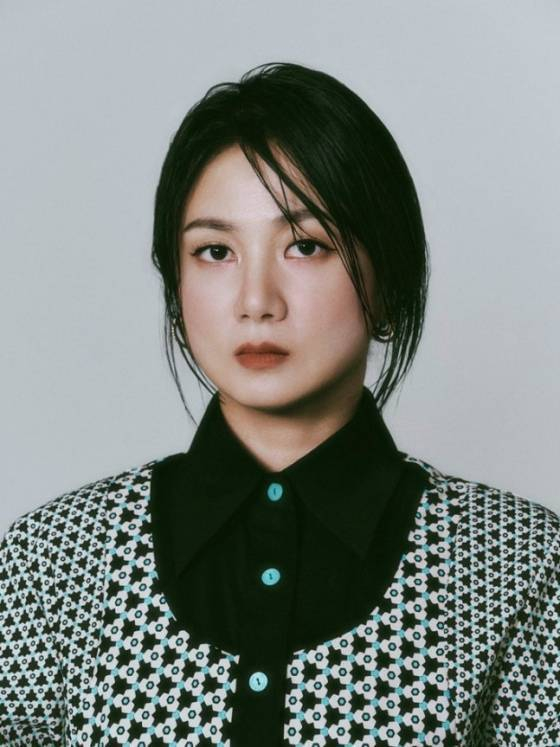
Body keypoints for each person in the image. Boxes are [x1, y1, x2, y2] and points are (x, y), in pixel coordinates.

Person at [1, 61, 559, 747]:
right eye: (214, 251)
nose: (256, 301)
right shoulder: (52, 562)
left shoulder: (517, 562)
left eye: (305, 245)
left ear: (387, 279)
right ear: (175, 286)